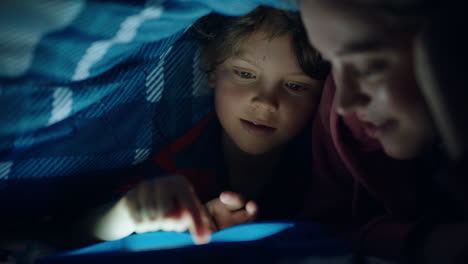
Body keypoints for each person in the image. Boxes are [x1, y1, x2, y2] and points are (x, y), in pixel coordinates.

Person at [77, 6, 330, 247]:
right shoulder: (177, 159)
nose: (265, 103)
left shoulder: (330, 166)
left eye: (296, 86)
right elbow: (80, 230)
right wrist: (126, 214)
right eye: (245, 74)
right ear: (212, 70)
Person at [299, 0, 468, 263]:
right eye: (330, 63)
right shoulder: (347, 120)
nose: (345, 103)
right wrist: (425, 241)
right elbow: (324, 231)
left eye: (369, 68)